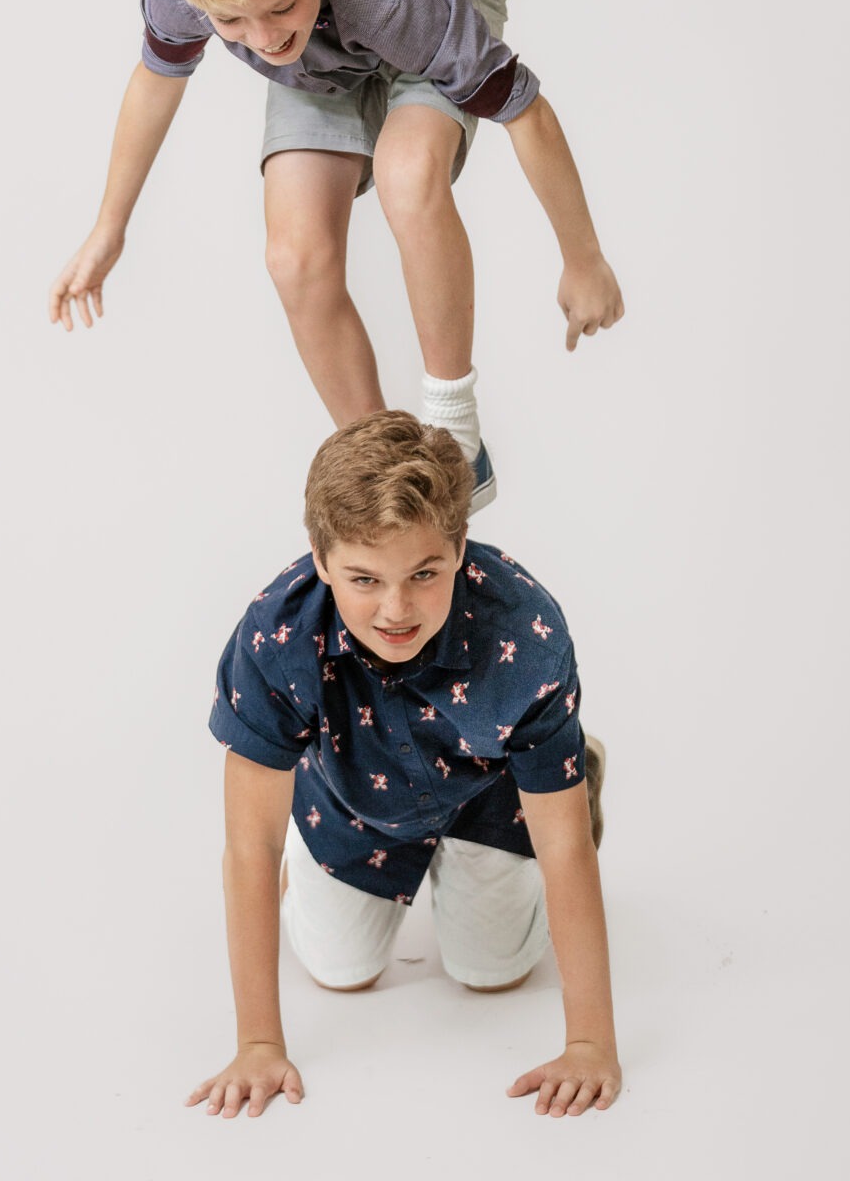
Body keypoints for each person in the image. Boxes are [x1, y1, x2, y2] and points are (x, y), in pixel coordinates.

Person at [48, 0, 624, 510]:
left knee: (406, 173)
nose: (261, 39)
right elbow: (156, 83)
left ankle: (455, 434)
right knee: (294, 256)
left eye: (279, 8)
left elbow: (528, 114)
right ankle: (381, 465)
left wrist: (583, 260)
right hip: (323, 53)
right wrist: (109, 227)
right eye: (231, 23)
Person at [189, 410, 621, 1120]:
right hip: (353, 798)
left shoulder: (525, 630)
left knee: (495, 972)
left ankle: (568, 769)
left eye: (424, 573)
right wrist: (259, 1043)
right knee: (340, 972)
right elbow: (250, 845)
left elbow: (565, 846)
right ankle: (318, 858)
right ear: (320, 559)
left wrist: (591, 1044)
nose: (395, 609)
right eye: (363, 578)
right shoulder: (276, 636)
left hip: (489, 792)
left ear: (459, 547)